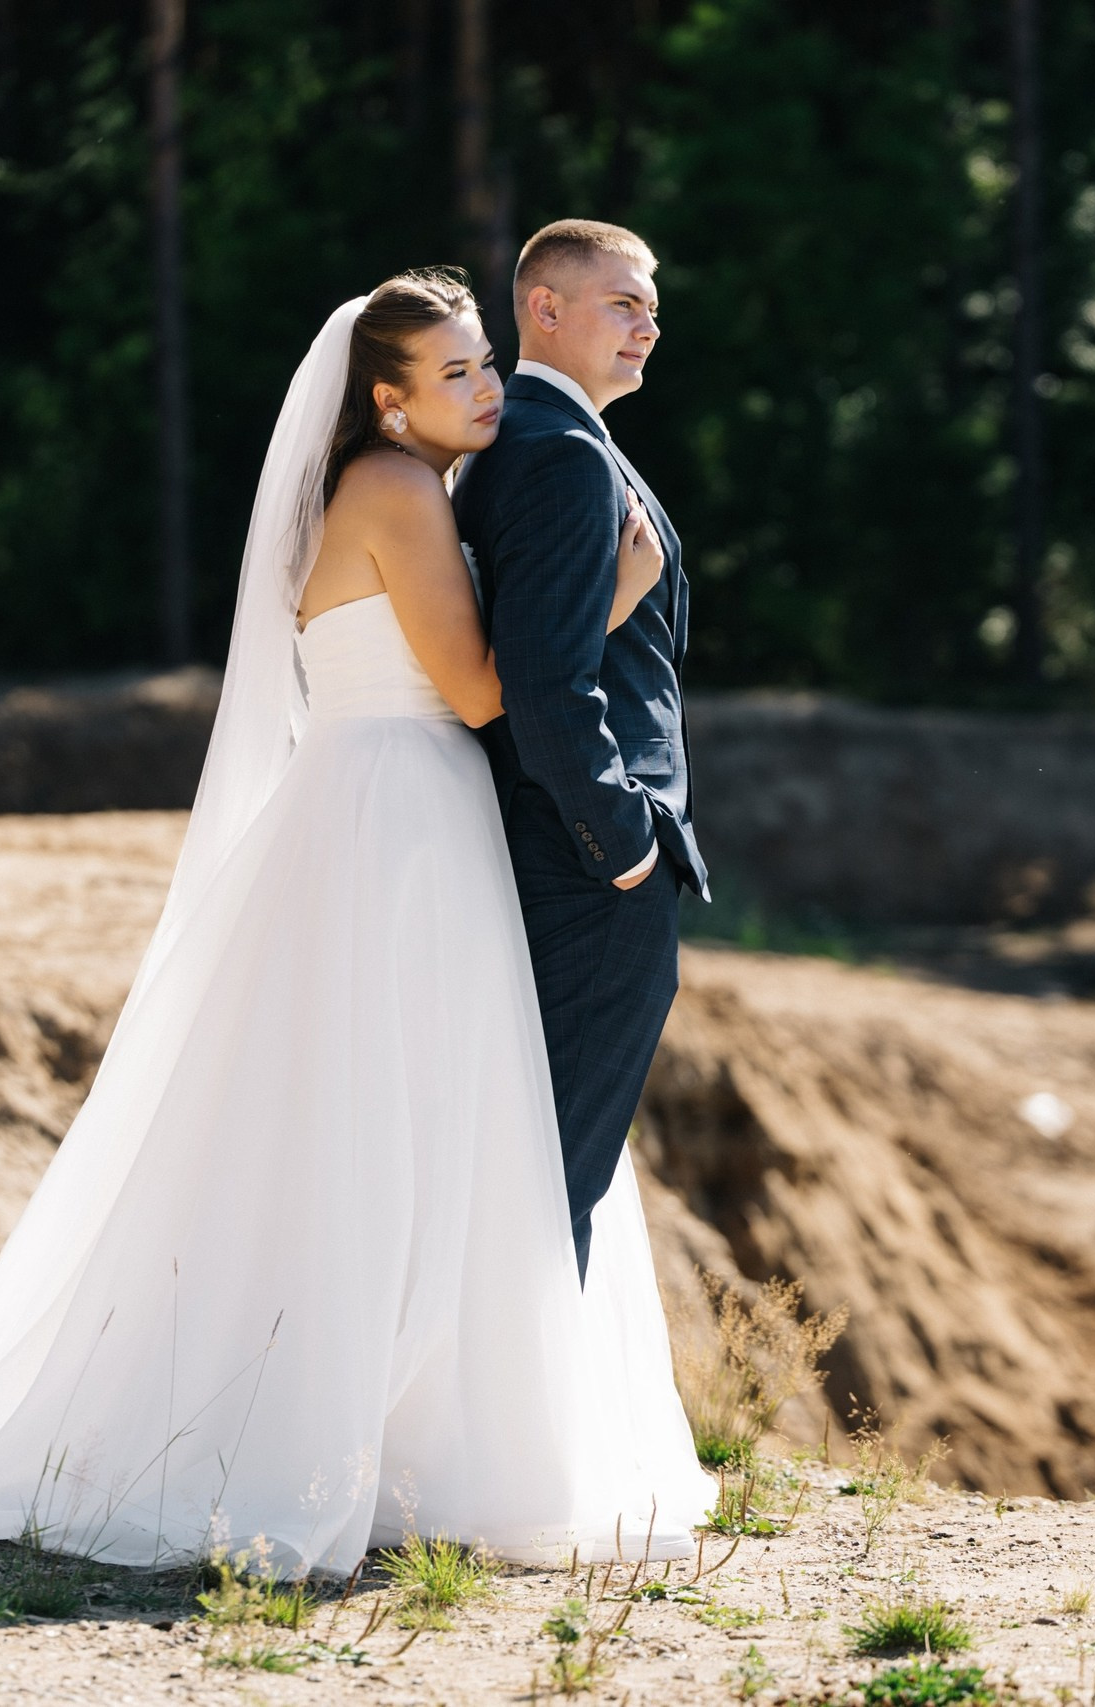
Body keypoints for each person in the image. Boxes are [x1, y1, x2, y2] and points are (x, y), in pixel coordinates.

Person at [0, 267, 713, 1578]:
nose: (485, 391)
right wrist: (618, 586)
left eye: (485, 367)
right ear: (388, 398)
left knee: (380, 1130)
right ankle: (356, 1430)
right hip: (400, 822)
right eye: (457, 374)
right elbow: (487, 690)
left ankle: (383, 1419)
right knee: (394, 1125)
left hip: (383, 810)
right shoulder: (394, 489)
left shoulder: (394, 488)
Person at [455, 220, 705, 1279]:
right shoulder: (556, 454)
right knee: (554, 1172)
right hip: (588, 863)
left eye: (651, 306)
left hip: (564, 853)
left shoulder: (535, 438)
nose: (648, 325)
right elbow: (549, 686)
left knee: (535, 1161)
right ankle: (497, 1435)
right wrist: (626, 845)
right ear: (543, 310)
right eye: (623, 304)